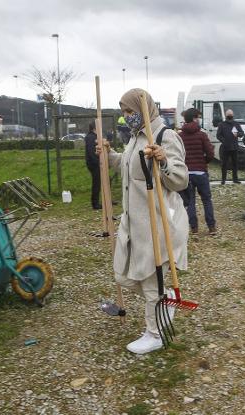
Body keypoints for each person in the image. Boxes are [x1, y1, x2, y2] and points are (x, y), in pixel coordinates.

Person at [97, 88, 189, 355]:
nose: (127, 117)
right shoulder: (135, 138)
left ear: (145, 108)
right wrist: (110, 154)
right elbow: (129, 167)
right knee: (124, 274)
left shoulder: (164, 136)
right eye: (124, 112)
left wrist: (163, 161)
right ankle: (166, 301)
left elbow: (180, 180)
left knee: (151, 279)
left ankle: (155, 333)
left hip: (157, 222)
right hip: (133, 220)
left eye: (131, 112)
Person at [178, 108, 216, 235]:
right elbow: (211, 153)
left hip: (186, 173)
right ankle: (211, 227)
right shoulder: (202, 135)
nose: (199, 119)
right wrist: (204, 162)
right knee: (206, 200)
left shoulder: (180, 136)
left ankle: (194, 228)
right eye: (198, 117)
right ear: (194, 118)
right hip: (201, 173)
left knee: (190, 201)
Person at [216, 109, 244, 184]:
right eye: (229, 115)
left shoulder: (236, 124)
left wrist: (237, 134)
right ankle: (223, 179)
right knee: (224, 164)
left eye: (231, 115)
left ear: (233, 115)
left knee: (235, 164)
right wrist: (224, 141)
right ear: (226, 116)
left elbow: (242, 133)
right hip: (225, 147)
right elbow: (218, 135)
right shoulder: (222, 124)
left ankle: (235, 179)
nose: (230, 116)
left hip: (234, 147)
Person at [84, 121, 102, 210]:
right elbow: (92, 152)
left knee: (105, 181)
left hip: (95, 163)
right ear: (95, 128)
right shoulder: (91, 138)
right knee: (96, 183)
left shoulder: (93, 137)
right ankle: (95, 204)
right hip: (94, 164)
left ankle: (106, 200)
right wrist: (98, 162)